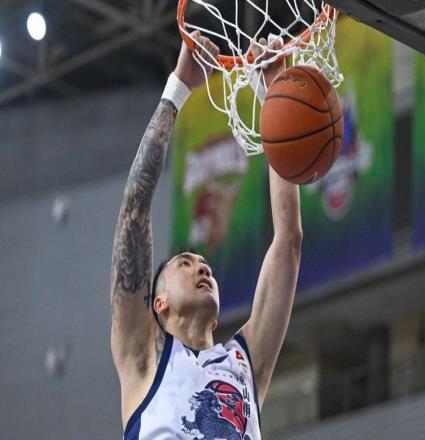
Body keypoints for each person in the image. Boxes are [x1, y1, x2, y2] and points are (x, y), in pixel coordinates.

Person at [110, 31, 302, 440]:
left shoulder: (245, 364)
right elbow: (135, 208)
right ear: (158, 303)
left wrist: (274, 101)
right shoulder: (143, 356)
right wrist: (178, 87)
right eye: (185, 264)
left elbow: (288, 241)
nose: (202, 268)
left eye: (204, 265)